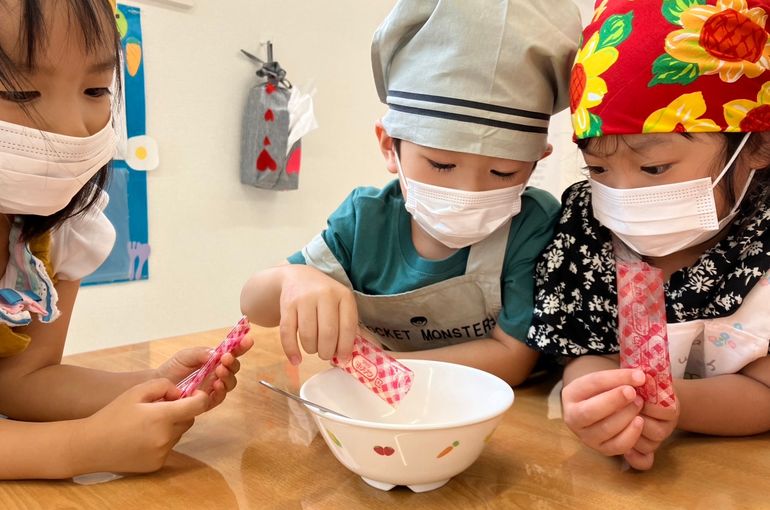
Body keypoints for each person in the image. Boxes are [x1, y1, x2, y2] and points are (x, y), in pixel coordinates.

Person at [240, 0, 581, 385]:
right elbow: (255, 306)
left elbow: (512, 358)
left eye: (503, 172)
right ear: (389, 146)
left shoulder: (533, 225)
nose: (467, 192)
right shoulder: (365, 220)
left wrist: (388, 370)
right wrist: (294, 280)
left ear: (537, 161)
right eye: (441, 164)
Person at [0, 0, 251, 479]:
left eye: (95, 89)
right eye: (21, 90)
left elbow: (19, 381)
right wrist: (77, 447)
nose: (74, 127)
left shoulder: (58, 232)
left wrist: (154, 383)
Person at [527, 0, 770, 470]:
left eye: (654, 167)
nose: (622, 195)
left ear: (756, 144)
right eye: (597, 167)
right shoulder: (587, 226)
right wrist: (600, 403)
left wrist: (666, 404)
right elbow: (586, 347)